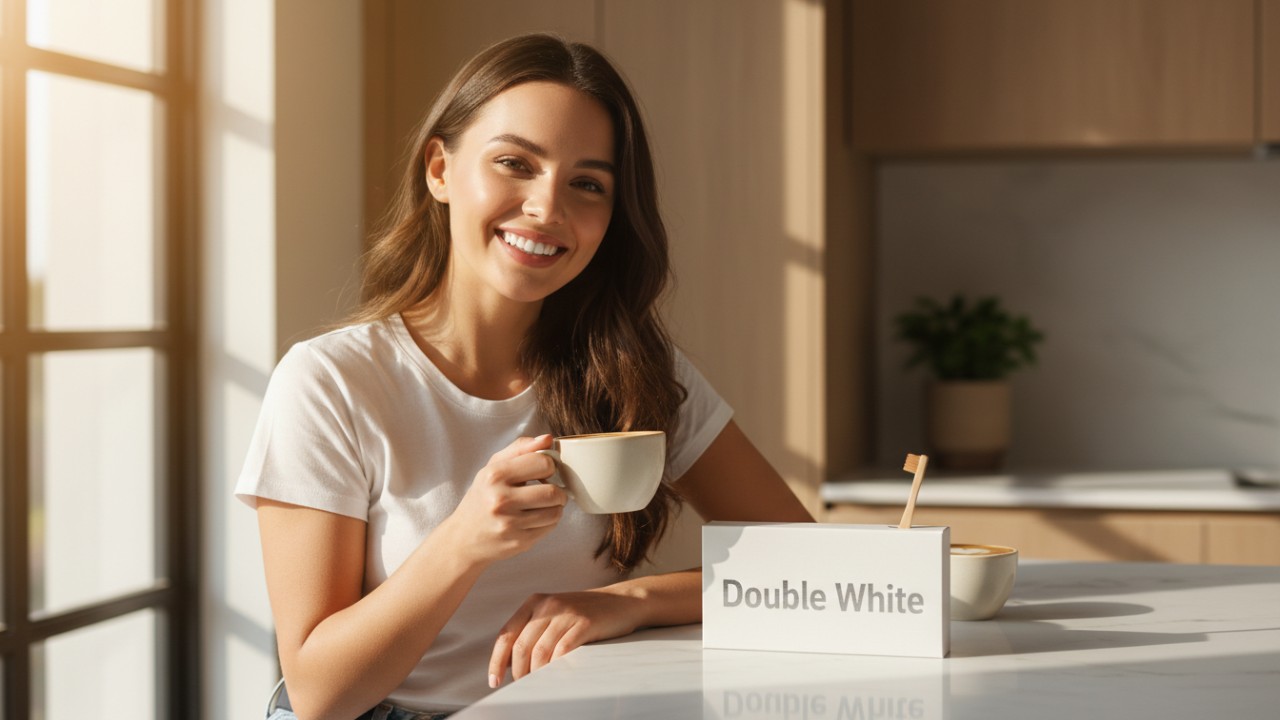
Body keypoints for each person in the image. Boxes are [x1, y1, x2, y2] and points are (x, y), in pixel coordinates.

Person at [236, 33, 813, 720]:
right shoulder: (332, 383)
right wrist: (464, 541)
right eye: (515, 163)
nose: (547, 208)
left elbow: (801, 563)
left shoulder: (631, 373)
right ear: (440, 171)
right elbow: (319, 694)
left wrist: (622, 602)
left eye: (587, 184)